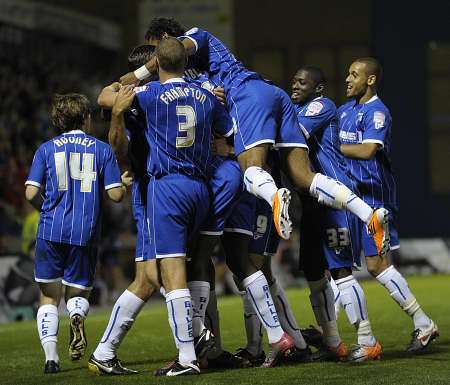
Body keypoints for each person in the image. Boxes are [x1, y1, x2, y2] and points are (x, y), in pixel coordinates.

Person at [120, 18, 390, 257]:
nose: (156, 60)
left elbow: (175, 52)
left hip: (247, 96)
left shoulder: (194, 36)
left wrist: (137, 74)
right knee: (303, 177)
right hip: (272, 94)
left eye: (157, 50)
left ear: (167, 42)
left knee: (250, 170)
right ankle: (370, 216)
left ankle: (275, 196)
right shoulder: (197, 73)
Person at [338, 57, 438, 353]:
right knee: (338, 267)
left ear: (370, 80)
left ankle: (423, 323)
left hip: (373, 200)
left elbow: (368, 150)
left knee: (377, 265)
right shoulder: (343, 111)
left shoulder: (378, 112)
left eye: (354, 74)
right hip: (348, 199)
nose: (347, 78)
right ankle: (331, 333)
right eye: (347, 72)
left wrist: (335, 148)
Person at [24, 93, 127, 374]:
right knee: (77, 291)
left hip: (50, 228)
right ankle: (78, 315)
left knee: (48, 297)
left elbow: (30, 192)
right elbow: (115, 195)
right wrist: (124, 184)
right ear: (85, 118)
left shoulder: (45, 149)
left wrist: (46, 207)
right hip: (85, 230)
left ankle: (51, 358)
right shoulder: (102, 149)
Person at [291, 66, 380, 361]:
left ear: (317, 88)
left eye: (302, 82)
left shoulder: (321, 106)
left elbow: (294, 132)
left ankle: (368, 340)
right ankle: (333, 342)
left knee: (341, 273)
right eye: (294, 81)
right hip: (312, 205)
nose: (295, 85)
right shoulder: (296, 108)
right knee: (315, 275)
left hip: (334, 201)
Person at [89, 44, 158, 375]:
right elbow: (108, 99)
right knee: (149, 279)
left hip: (161, 191)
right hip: (153, 191)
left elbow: (106, 93)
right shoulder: (132, 103)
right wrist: (117, 108)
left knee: (154, 278)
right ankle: (104, 351)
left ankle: (198, 346)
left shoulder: (142, 97)